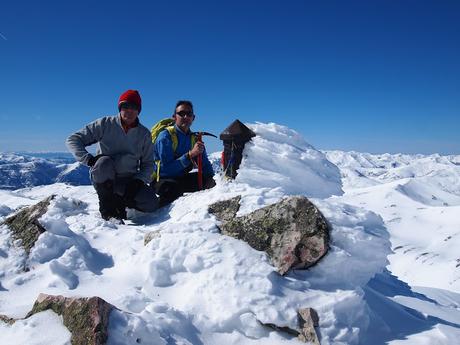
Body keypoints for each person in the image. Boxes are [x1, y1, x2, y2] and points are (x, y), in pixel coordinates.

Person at [66, 90, 158, 221]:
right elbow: (73, 139)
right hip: (104, 177)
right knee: (104, 162)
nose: (130, 111)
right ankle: (108, 209)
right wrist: (89, 159)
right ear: (120, 108)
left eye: (134, 107)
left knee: (151, 203)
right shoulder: (105, 124)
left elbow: (148, 164)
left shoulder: (143, 134)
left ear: (139, 111)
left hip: (128, 180)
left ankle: (122, 201)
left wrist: (138, 181)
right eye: (126, 106)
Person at [152, 100, 215, 206]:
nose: (185, 116)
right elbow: (165, 170)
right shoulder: (165, 137)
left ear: (193, 118)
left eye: (189, 114)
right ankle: (157, 214)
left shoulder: (193, 139)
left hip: (180, 178)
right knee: (172, 190)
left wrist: (209, 177)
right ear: (174, 117)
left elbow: (203, 162)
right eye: (181, 113)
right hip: (161, 179)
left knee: (207, 182)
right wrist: (190, 155)